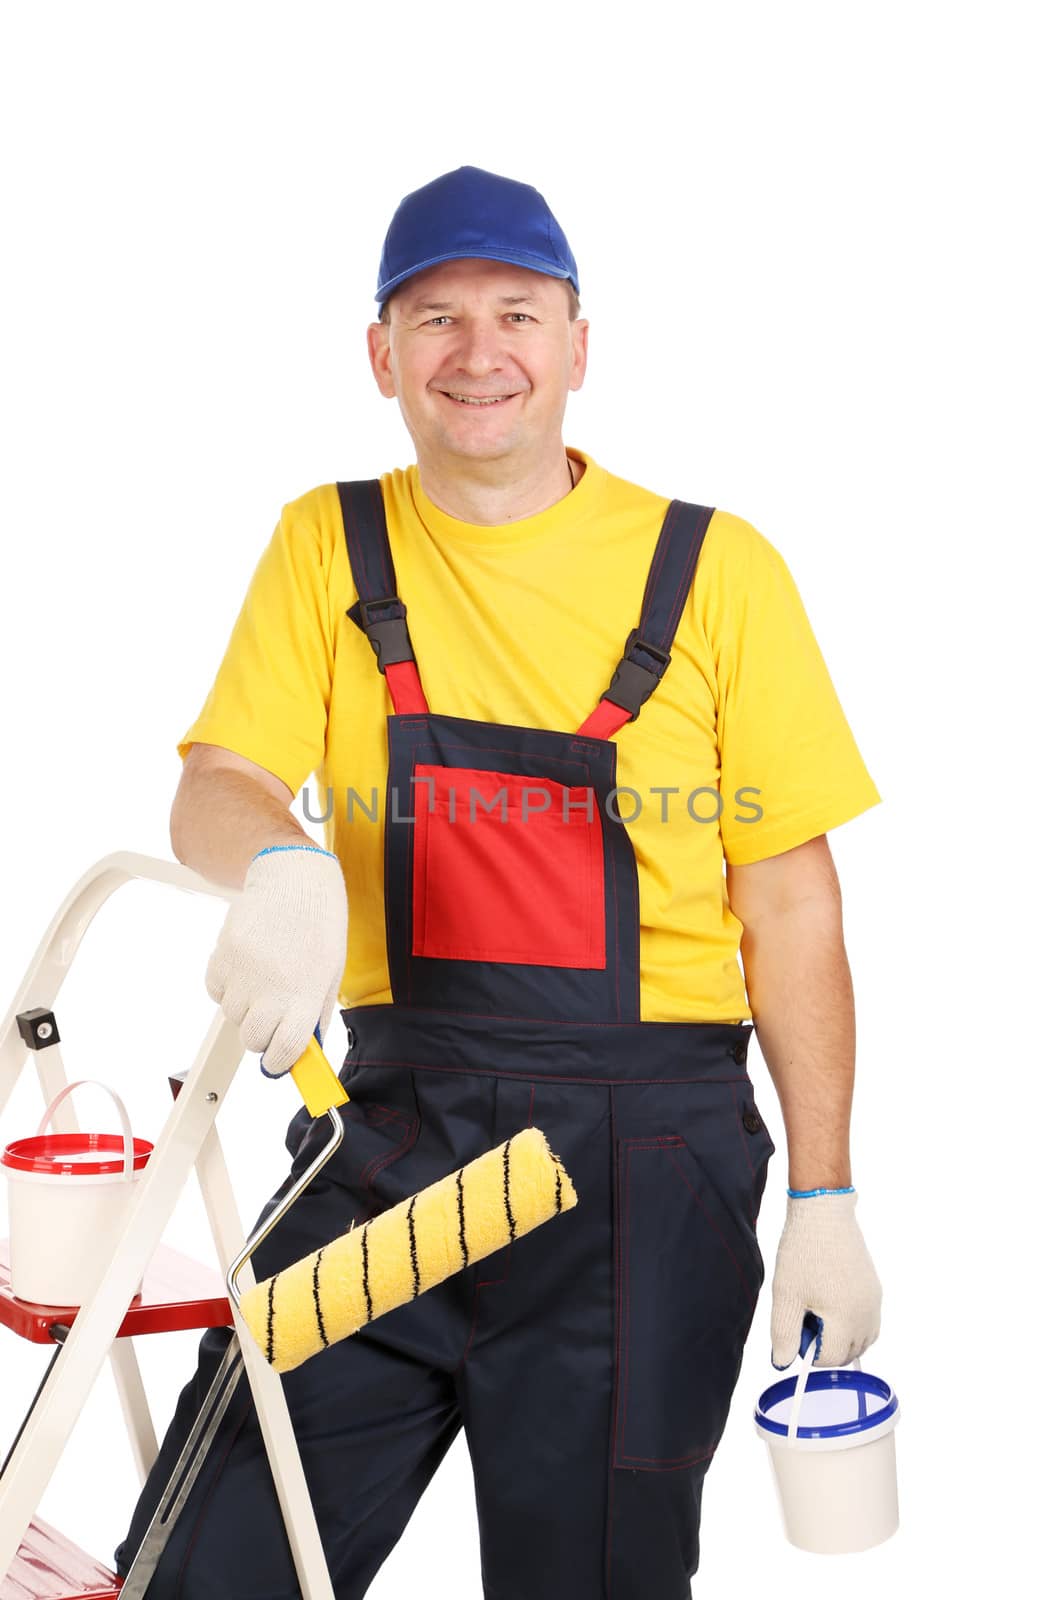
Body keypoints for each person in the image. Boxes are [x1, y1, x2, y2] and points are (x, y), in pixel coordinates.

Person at [114, 164, 883, 1599]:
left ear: (579, 345)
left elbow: (791, 906)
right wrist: (278, 866)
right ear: (382, 356)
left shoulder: (713, 572)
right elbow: (218, 778)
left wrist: (825, 1199)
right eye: (437, 318)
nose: (480, 354)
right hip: (387, 1149)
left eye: (517, 315)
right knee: (214, 1563)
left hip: (644, 1174)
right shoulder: (325, 546)